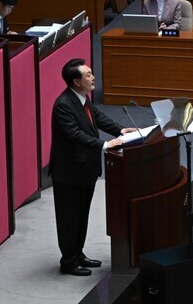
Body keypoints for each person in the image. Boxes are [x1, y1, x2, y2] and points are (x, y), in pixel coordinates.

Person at [49, 59, 132, 275]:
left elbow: (99, 119)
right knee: (69, 217)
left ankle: (78, 253)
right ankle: (68, 261)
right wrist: (105, 145)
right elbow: (75, 135)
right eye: (88, 75)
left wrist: (121, 131)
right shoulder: (63, 105)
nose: (93, 77)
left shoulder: (82, 99)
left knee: (82, 214)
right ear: (76, 82)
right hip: (69, 173)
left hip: (85, 170)